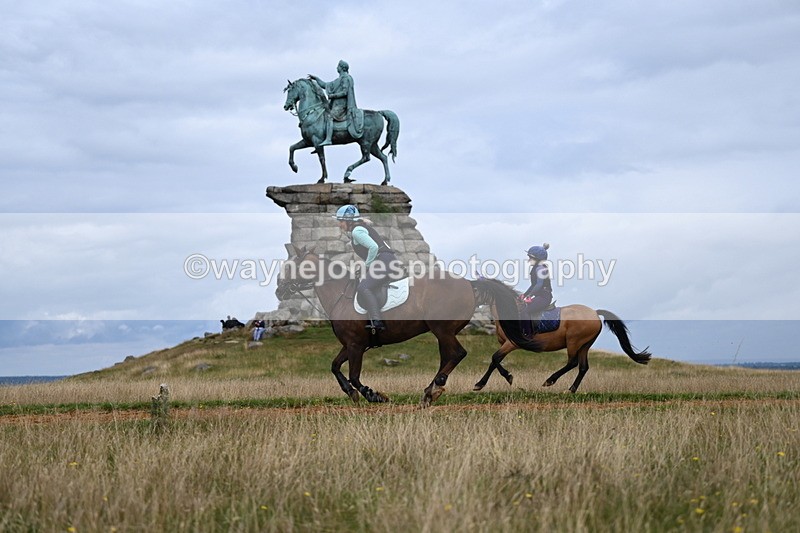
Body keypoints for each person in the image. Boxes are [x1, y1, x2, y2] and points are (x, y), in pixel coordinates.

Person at [334, 204, 401, 332]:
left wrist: (367, 266)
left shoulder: (357, 231)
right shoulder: (361, 227)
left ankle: (377, 321)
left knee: (363, 287)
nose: (339, 224)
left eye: (341, 221)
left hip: (384, 261)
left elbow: (373, 247)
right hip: (385, 260)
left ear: (348, 221)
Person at [308, 60, 363, 147]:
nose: (337, 68)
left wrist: (333, 96)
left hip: (342, 106)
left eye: (338, 66)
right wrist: (316, 78)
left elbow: (345, 92)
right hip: (335, 105)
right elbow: (325, 85)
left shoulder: (346, 78)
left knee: (329, 116)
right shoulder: (338, 80)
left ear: (341, 68)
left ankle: (328, 139)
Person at [521, 243, 553, 330]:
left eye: (531, 258)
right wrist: (524, 294)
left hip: (544, 297)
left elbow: (539, 284)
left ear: (537, 259)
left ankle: (527, 334)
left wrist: (529, 296)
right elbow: (533, 285)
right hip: (540, 296)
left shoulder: (540, 268)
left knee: (525, 311)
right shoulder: (536, 268)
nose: (529, 260)